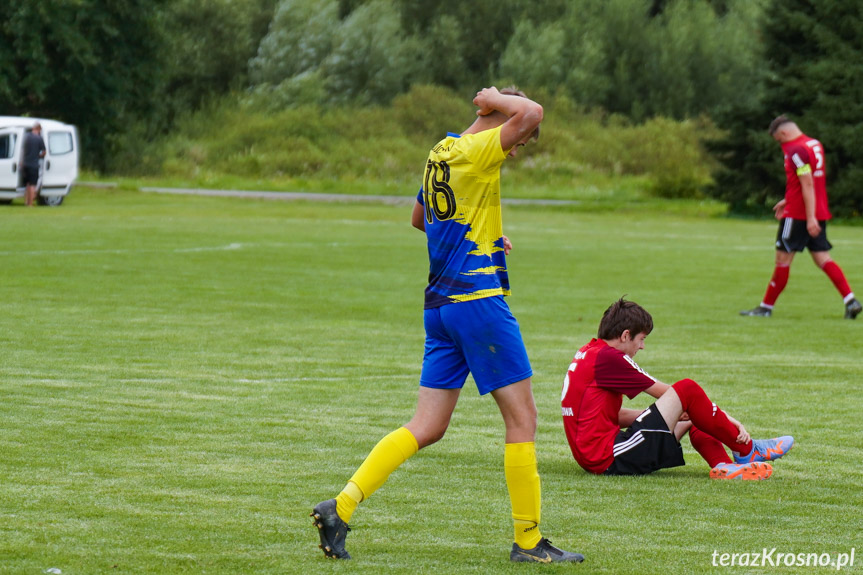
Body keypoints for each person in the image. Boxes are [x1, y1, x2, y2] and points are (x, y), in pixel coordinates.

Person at [311, 87, 584, 563]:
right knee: (523, 419)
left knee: (427, 425)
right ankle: (528, 541)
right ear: (498, 120)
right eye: (517, 142)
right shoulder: (480, 148)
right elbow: (533, 111)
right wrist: (496, 96)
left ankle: (341, 506)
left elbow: (422, 218)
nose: (515, 150)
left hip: (439, 307)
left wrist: (483, 231)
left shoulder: (441, 150)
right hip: (477, 302)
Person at [562, 298, 794, 480]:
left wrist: (678, 413)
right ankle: (747, 449)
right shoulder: (610, 358)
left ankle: (724, 467)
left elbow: (610, 416)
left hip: (598, 454)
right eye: (641, 339)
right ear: (625, 336)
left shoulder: (590, 352)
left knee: (693, 415)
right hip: (609, 457)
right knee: (688, 389)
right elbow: (675, 393)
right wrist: (728, 420)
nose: (641, 347)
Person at [740, 115, 861, 319]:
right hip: (816, 210)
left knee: (782, 259)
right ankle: (851, 301)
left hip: (798, 215)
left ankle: (765, 308)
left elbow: (807, 183)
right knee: (823, 258)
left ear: (784, 133)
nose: (780, 144)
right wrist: (789, 200)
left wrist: (808, 216)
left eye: (779, 139)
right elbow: (809, 180)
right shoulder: (814, 144)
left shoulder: (795, 151)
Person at [20, 122, 46, 207]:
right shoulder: (39, 138)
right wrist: (39, 155)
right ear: (38, 129)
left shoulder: (26, 137)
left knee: (27, 184)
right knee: (32, 185)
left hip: (25, 164)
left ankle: (26, 201)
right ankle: (30, 204)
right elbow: (44, 151)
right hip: (33, 164)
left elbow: (22, 150)